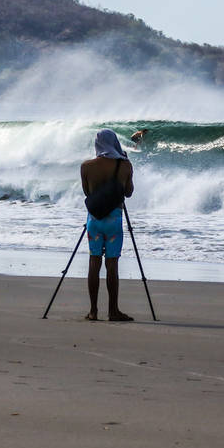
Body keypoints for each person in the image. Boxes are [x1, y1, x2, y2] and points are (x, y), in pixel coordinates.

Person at [80, 129, 135, 322]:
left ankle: (93, 311)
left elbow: (88, 193)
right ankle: (113, 311)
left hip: (94, 220)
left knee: (94, 262)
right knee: (112, 264)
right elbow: (128, 193)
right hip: (114, 220)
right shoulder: (125, 165)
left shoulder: (86, 166)